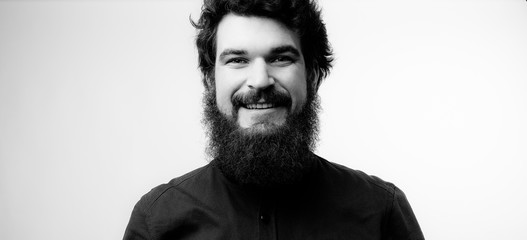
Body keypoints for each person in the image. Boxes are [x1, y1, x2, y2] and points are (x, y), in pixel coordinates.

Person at [123, 0, 425, 239]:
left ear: (312, 75)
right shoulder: (157, 220)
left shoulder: (381, 211)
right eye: (237, 60)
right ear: (209, 80)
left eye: (281, 58)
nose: (260, 81)